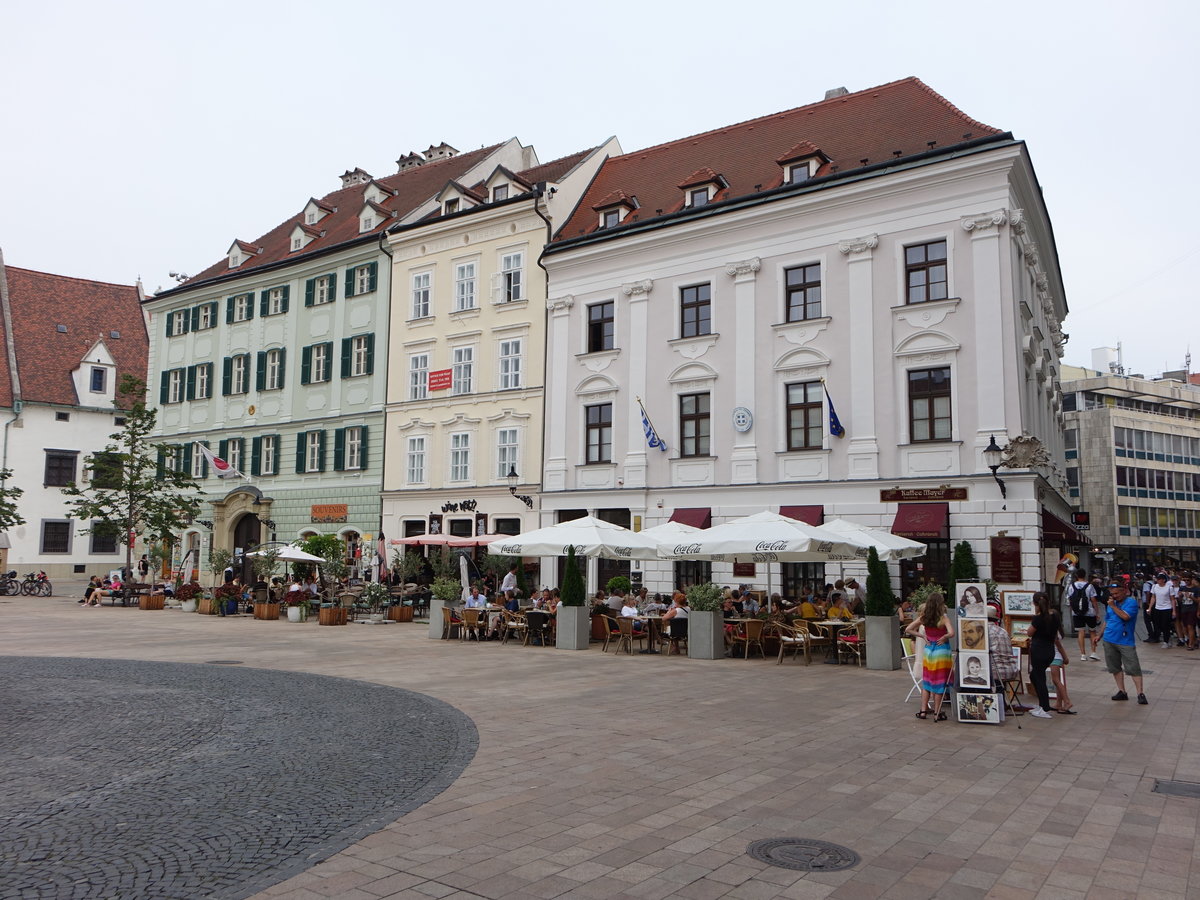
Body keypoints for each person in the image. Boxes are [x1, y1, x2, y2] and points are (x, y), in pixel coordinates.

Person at [905, 592, 954, 721]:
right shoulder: (943, 618)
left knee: (927, 681)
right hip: (941, 651)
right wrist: (944, 637)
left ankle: (923, 711)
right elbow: (952, 633)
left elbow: (908, 629)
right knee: (939, 683)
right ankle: (937, 713)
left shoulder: (924, 617)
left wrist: (922, 636)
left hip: (928, 651)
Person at [1101, 581, 1147, 704]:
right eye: (1112, 593)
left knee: (1133, 667)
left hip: (1125, 641)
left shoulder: (1131, 602)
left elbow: (1125, 617)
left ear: (1124, 591)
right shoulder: (1111, 603)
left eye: (1116, 593)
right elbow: (1107, 620)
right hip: (1109, 638)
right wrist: (1099, 635)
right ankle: (1122, 691)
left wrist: (1113, 606)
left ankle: (1140, 693)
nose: (1114, 596)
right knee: (1114, 667)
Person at [1026, 591, 1067, 719]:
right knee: (1034, 676)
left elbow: (1029, 633)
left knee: (1040, 678)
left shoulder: (1038, 618)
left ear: (1035, 603)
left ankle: (1044, 707)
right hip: (1049, 650)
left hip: (1039, 651)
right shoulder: (1053, 616)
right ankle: (1042, 704)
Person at [1066, 569, 1101, 661]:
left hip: (1077, 613)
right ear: (1085, 575)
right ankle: (1093, 652)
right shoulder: (1090, 586)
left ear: (1076, 576)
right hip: (1089, 612)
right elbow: (1093, 600)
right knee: (1092, 631)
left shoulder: (1071, 586)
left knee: (1080, 632)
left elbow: (1070, 600)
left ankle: (1083, 654)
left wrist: (1073, 611)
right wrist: (1097, 612)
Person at [986, 606, 1018, 685]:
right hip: (1011, 670)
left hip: (995, 673)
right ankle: (1001, 695)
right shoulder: (1003, 631)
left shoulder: (984, 631)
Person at [1148, 572, 1177, 649]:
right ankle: (1167, 636)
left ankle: (1166, 641)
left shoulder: (1169, 587)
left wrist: (1174, 611)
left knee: (1165, 624)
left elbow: (1172, 599)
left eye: (1159, 579)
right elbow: (1153, 597)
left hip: (1167, 608)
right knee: (1158, 624)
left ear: (1163, 580)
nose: (1158, 580)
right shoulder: (1154, 587)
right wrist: (1150, 607)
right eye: (1157, 579)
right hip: (1158, 608)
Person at [1178, 574, 1199, 651]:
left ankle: (1191, 644)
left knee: (1190, 626)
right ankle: (1192, 640)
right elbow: (1180, 601)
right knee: (1185, 626)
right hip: (1184, 609)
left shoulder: (1196, 589)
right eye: (1185, 580)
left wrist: (1191, 597)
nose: (1186, 581)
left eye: (1188, 580)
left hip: (1192, 609)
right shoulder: (1182, 588)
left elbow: (1198, 601)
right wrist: (1180, 596)